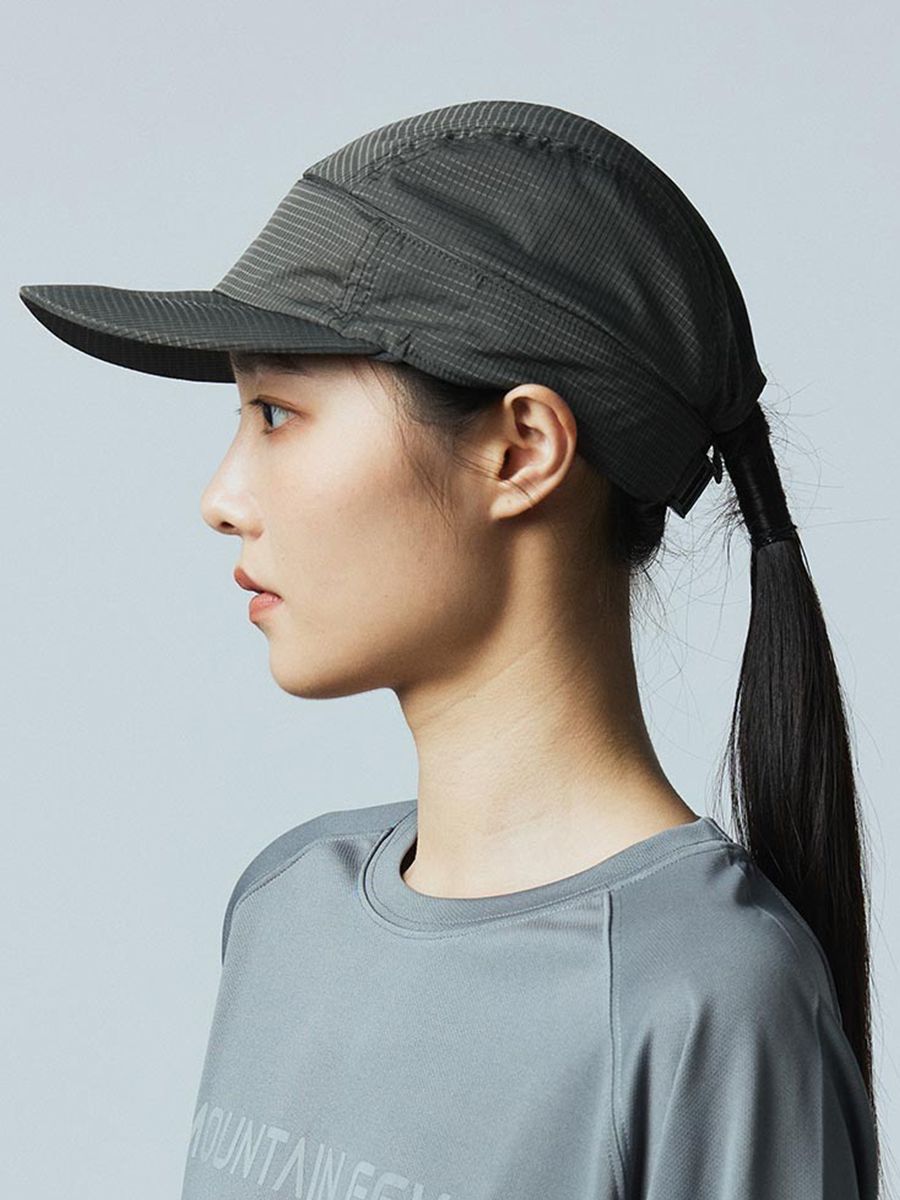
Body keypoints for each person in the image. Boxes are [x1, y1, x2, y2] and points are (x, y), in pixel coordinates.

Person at [19, 99, 883, 1199]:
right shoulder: (285, 910)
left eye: (276, 413)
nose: (221, 497)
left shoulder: (708, 1002)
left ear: (521, 450)